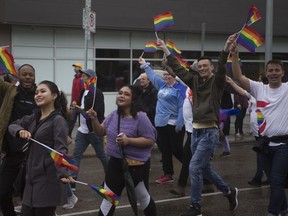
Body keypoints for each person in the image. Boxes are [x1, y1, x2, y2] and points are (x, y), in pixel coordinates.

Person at [157, 34, 239, 216]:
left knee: (194, 167)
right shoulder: (193, 81)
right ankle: (228, 191)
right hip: (195, 131)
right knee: (204, 168)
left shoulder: (217, 81)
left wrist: (226, 46)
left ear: (212, 68)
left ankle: (195, 207)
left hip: (210, 131)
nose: (202, 69)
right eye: (199, 66)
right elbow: (178, 68)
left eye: (205, 66)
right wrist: (165, 50)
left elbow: (222, 62)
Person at [231, 44, 288, 216]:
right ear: (265, 73)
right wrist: (234, 56)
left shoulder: (287, 89)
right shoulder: (259, 88)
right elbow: (238, 77)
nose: (273, 73)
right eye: (270, 70)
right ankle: (284, 209)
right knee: (272, 181)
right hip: (263, 144)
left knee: (277, 182)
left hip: (283, 146)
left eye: (277, 70)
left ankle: (272, 213)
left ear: (282, 73)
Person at [88, 85, 157, 216]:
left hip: (135, 166)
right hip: (115, 164)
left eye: (126, 94)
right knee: (108, 200)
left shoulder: (141, 118)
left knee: (143, 198)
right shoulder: (114, 115)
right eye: (120, 93)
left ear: (133, 99)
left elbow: (150, 139)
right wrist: (94, 119)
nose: (121, 95)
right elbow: (100, 131)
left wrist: (128, 141)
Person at [8, 80, 73, 216]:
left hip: (47, 181)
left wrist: (63, 173)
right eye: (36, 92)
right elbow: (13, 125)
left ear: (54, 95)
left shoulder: (58, 120)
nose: (38, 94)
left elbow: (60, 149)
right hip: (30, 179)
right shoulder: (34, 116)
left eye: (43, 91)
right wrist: (20, 131)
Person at [139, 60, 186, 184]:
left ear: (174, 75)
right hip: (160, 123)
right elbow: (152, 76)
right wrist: (145, 65)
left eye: (168, 74)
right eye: (164, 75)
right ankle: (168, 174)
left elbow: (182, 107)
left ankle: (194, 167)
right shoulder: (162, 85)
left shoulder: (180, 88)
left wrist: (180, 123)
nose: (165, 76)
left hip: (174, 123)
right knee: (165, 150)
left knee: (177, 150)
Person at [0, 64, 37, 216]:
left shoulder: (39, 93)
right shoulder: (10, 90)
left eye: (30, 74)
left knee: (27, 195)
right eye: (24, 74)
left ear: (34, 76)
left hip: (32, 153)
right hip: (12, 151)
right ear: (18, 76)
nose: (27, 77)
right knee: (2, 193)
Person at [70, 68, 108, 191]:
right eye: (82, 76)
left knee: (102, 155)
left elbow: (99, 113)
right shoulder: (83, 91)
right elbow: (82, 107)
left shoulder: (98, 93)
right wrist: (76, 107)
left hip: (93, 131)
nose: (82, 78)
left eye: (85, 76)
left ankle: (110, 178)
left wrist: (84, 111)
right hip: (82, 130)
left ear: (92, 79)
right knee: (76, 155)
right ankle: (72, 181)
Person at [69, 63, 84, 136]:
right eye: (74, 67)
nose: (75, 68)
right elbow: (73, 91)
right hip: (74, 103)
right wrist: (72, 102)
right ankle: (68, 136)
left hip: (79, 104)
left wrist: (77, 101)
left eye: (76, 67)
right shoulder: (74, 79)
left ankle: (81, 136)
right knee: (71, 120)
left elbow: (81, 92)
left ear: (80, 68)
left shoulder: (82, 79)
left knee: (81, 122)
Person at [219, 89, 233, 157]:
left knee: (221, 133)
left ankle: (226, 151)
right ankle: (226, 150)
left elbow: (230, 104)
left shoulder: (225, 92)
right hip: (221, 113)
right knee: (221, 134)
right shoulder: (225, 92)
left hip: (222, 113)